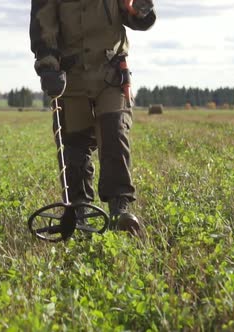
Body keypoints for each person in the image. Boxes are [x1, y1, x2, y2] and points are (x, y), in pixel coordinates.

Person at [30, 0, 156, 234]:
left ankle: (120, 207)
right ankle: (79, 211)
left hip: (111, 74)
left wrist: (141, 10)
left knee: (114, 131)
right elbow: (43, 26)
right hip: (70, 78)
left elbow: (135, 16)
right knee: (74, 146)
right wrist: (48, 67)